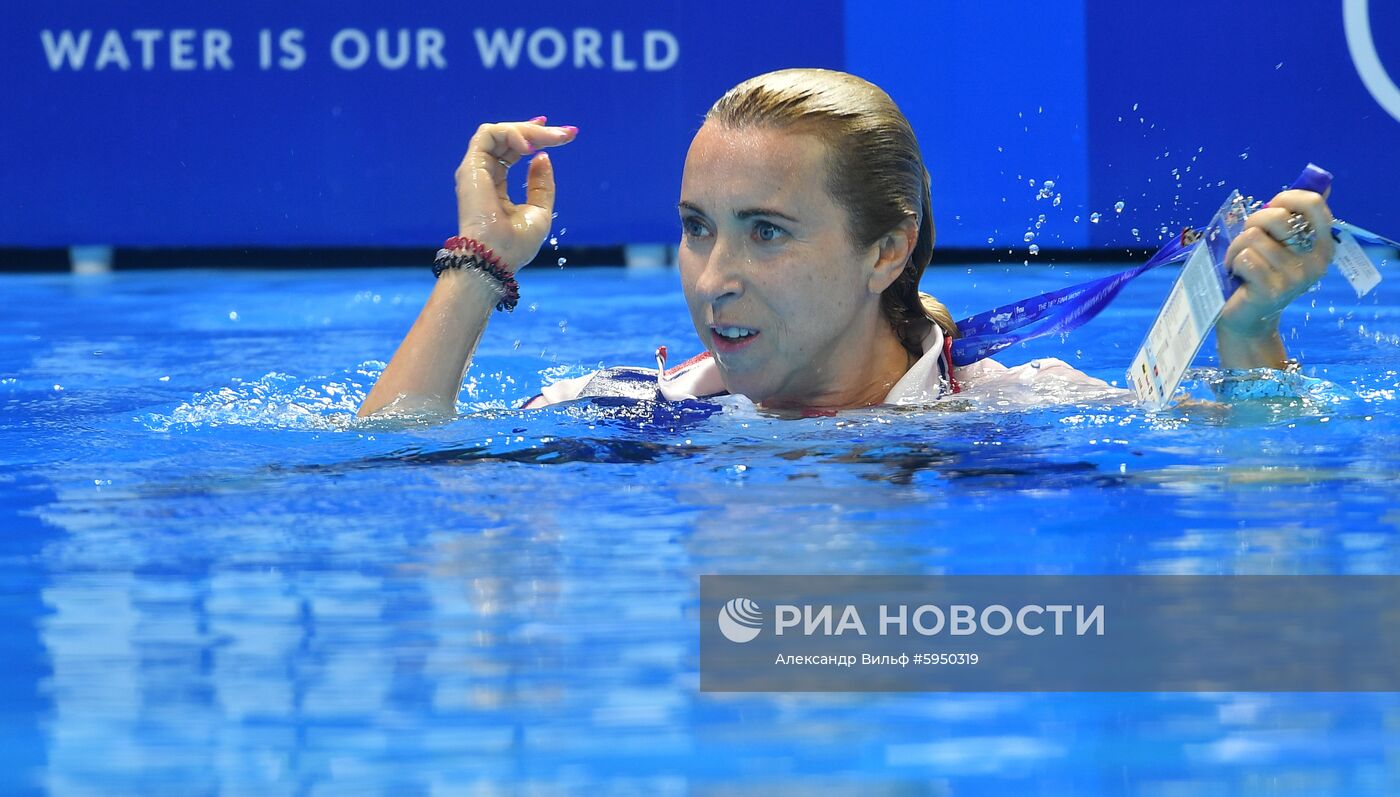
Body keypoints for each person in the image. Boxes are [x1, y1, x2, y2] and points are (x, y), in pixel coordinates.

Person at [357, 68, 1335, 419]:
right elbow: (388, 471)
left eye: (765, 232)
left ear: (885, 251)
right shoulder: (626, 413)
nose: (714, 277)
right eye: (697, 229)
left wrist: (1250, 333)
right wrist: (477, 265)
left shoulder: (1011, 413)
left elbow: (1265, 500)